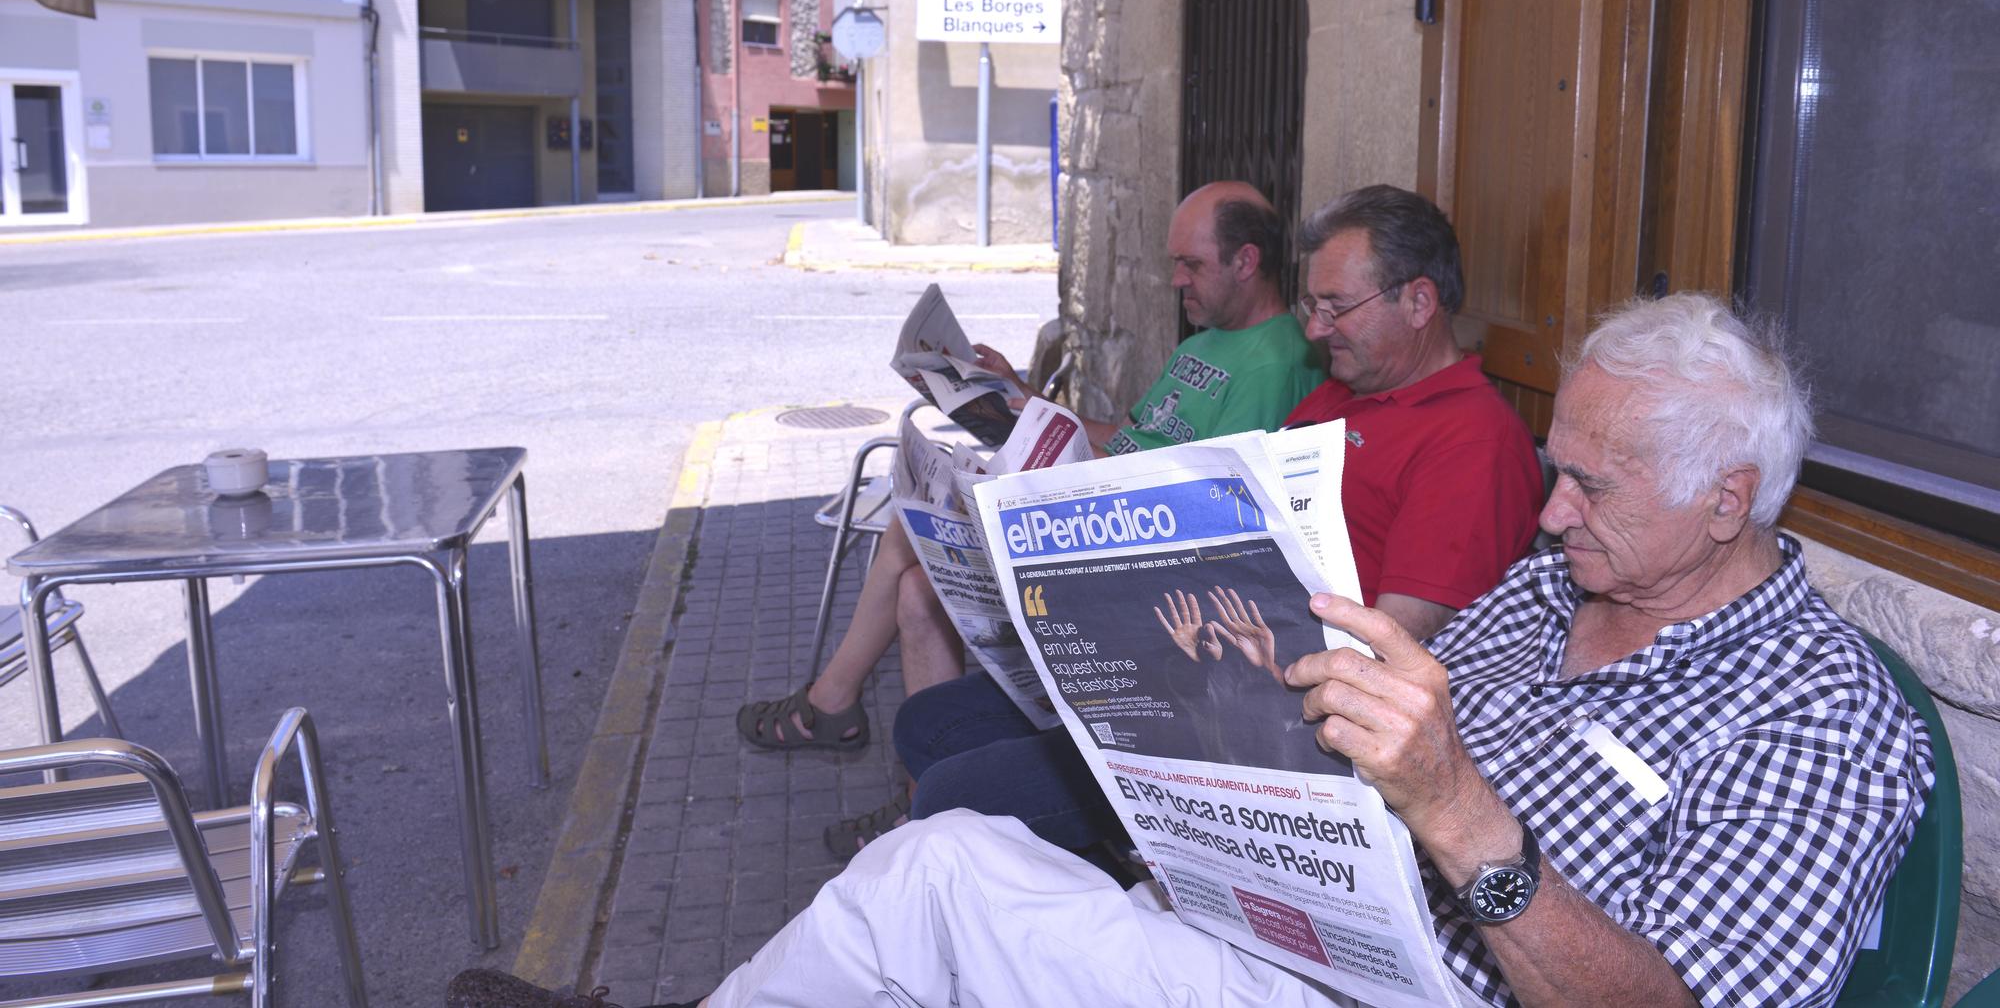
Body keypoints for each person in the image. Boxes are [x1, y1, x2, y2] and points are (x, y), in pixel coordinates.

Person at [670, 293, 1935, 1008]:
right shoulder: (1556, 587)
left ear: (1726, 500)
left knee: (929, 885)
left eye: (1590, 489)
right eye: (1557, 476)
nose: (1549, 516)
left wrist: (1457, 814)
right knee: (948, 858)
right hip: (1291, 926)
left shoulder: (1819, 713)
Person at [891, 185, 1544, 851]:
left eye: (1337, 307)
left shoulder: (1473, 440)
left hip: (1265, 724)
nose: (1316, 329)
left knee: (955, 791)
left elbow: (1393, 646)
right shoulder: (1341, 390)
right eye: (1311, 305)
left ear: (1419, 301)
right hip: (1189, 654)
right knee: (926, 724)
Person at [734, 183, 1323, 833]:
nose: (1176, 279)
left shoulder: (1275, 364)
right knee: (913, 581)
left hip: (1122, 549)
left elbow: (1198, 497)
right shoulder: (1202, 344)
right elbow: (1125, 436)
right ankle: (922, 794)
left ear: (1246, 261)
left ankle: (836, 703)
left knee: (912, 530)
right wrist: (1018, 397)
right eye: (1173, 263)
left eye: (1192, 264)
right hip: (1091, 497)